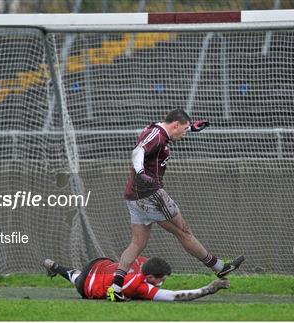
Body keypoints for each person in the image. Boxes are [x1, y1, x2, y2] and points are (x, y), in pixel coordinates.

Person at [109, 109, 244, 302]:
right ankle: (220, 268)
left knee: (137, 243)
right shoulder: (157, 136)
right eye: (185, 129)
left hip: (133, 196)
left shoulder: (159, 130)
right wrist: (140, 172)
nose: (186, 133)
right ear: (175, 125)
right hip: (151, 194)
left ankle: (115, 288)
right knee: (184, 231)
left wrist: (192, 126)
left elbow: (163, 131)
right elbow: (138, 151)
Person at [42, 257, 230, 301]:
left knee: (74, 274)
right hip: (87, 285)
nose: (161, 283)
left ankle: (55, 266)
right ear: (149, 277)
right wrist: (208, 289)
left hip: (98, 264)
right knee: (77, 279)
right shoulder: (139, 286)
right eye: (160, 280)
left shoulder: (142, 260)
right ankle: (57, 268)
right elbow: (174, 296)